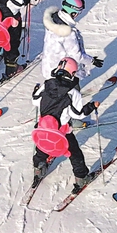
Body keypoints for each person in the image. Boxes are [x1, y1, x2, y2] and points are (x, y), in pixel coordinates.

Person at [31, 58, 99, 192]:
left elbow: (35, 100)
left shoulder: (47, 84)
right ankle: (81, 177)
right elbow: (78, 114)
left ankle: (38, 169)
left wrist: (36, 90)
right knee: (74, 153)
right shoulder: (72, 92)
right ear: (72, 73)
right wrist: (92, 106)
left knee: (42, 147)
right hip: (61, 132)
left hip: (43, 129)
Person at [41, 0, 102, 79]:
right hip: (63, 71)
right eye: (78, 13)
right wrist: (92, 61)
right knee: (68, 85)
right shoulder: (67, 33)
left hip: (49, 66)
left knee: (52, 84)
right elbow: (77, 56)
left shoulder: (52, 21)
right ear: (73, 13)